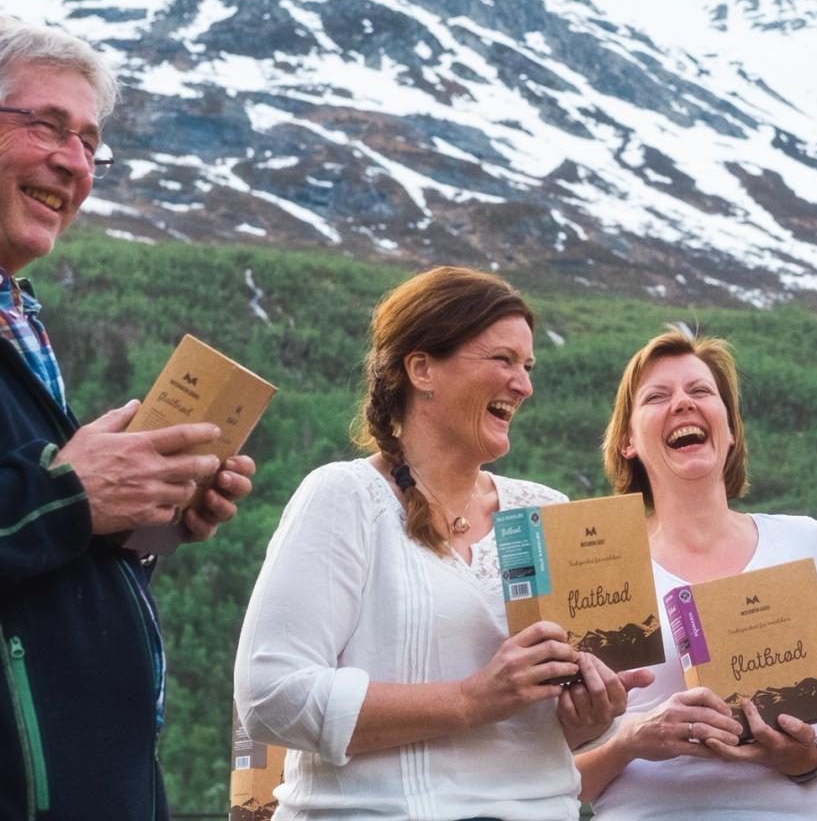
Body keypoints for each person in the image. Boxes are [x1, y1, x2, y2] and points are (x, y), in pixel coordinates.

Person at [0, 15, 257, 819]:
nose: (75, 161)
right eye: (47, 126)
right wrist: (68, 497)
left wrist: (141, 520)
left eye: (91, 143)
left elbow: (9, 573)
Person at [235, 266, 649, 820]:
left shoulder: (547, 511)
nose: (523, 384)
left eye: (527, 367)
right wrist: (468, 700)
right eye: (502, 360)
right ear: (422, 368)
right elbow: (270, 696)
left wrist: (593, 713)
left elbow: (576, 737)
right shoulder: (344, 496)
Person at [576, 327, 817, 820]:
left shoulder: (807, 542)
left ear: (729, 430)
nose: (683, 403)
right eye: (657, 396)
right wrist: (632, 741)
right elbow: (559, 774)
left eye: (701, 391)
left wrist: (809, 757)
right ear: (627, 442)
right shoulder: (600, 568)